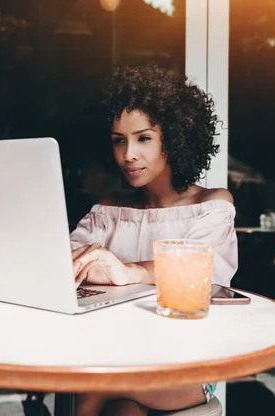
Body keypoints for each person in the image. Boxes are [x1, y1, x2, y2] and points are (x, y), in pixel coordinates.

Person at [69, 65, 238, 416]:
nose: (128, 153)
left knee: (92, 388)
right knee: (124, 411)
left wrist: (127, 271)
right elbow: (67, 258)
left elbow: (200, 270)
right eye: (119, 140)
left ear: (174, 139)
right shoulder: (110, 209)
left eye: (143, 138)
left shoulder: (211, 205)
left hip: (186, 364)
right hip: (116, 351)